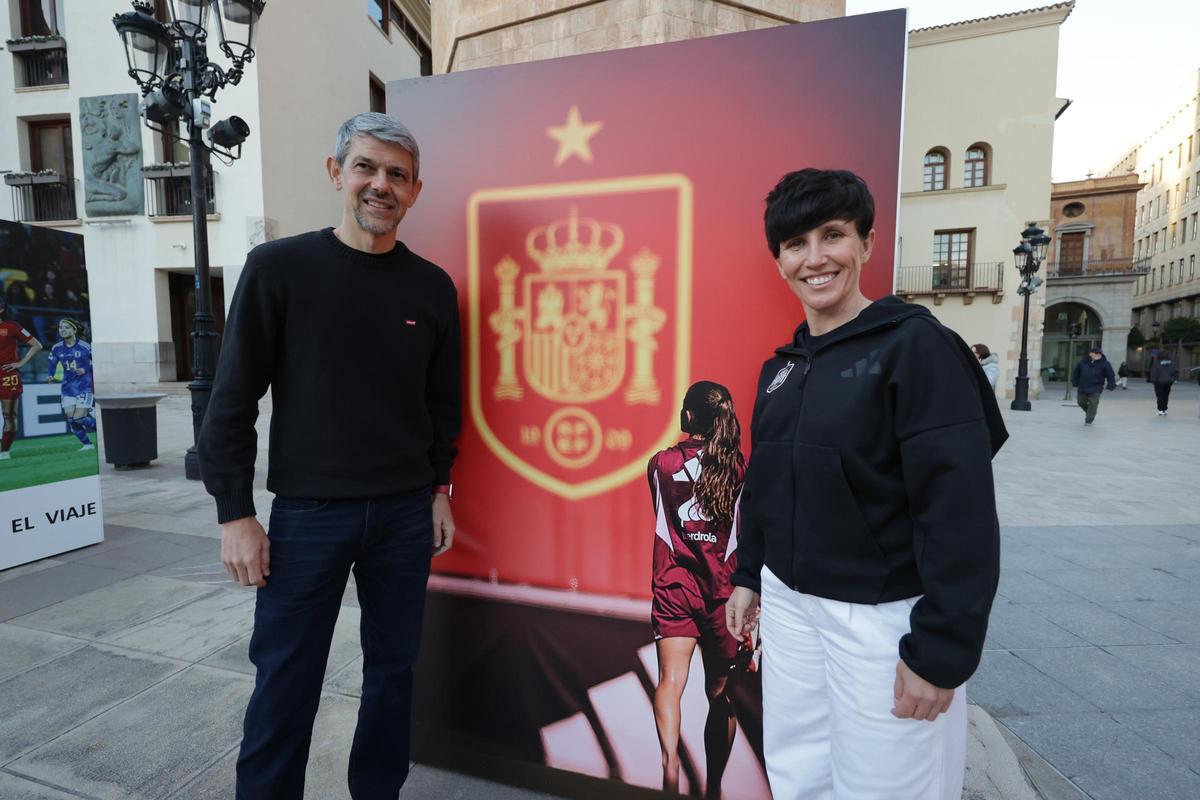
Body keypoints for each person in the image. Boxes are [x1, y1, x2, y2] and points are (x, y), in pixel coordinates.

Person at [197, 112, 461, 800]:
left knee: (393, 675)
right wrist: (235, 514)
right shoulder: (278, 269)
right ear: (336, 172)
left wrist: (441, 490)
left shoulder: (433, 288)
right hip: (308, 517)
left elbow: (441, 402)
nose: (381, 185)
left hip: (404, 516)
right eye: (366, 167)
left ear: (415, 191)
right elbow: (231, 399)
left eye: (397, 175)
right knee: (286, 680)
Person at [725, 169, 1006, 800]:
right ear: (779, 261)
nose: (815, 258)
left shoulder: (918, 348)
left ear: (867, 243)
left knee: (887, 786)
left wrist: (941, 651)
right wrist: (750, 575)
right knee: (800, 774)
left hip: (878, 618)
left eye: (833, 235)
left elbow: (958, 511)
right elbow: (766, 486)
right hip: (790, 606)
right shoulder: (780, 369)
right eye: (795, 244)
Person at [648, 380, 746, 798]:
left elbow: (662, 514)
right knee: (721, 695)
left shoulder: (660, 464)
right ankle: (714, 788)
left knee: (670, 680)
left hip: (674, 585)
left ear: (688, 416)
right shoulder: (738, 468)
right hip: (724, 594)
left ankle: (670, 766)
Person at [0, 295, 42, 460]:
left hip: (7, 376)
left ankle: (4, 451)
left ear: (1, 309)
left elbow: (36, 345)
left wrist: (21, 363)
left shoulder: (12, 327)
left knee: (9, 415)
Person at [45, 318, 96, 451]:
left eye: (67, 327)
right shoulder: (56, 348)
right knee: (71, 420)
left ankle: (102, 429)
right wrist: (51, 375)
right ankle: (88, 445)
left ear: (74, 330)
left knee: (79, 419)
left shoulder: (85, 346)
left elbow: (98, 362)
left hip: (85, 387)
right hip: (67, 388)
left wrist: (85, 369)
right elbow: (52, 364)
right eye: (61, 327)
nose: (63, 330)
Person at [1071, 347, 1116, 425]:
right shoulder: (1083, 362)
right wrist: (1075, 382)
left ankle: (1089, 420)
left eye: (1099, 353)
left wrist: (1111, 385)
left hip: (1096, 387)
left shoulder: (1105, 363)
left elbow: (1110, 375)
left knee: (1093, 403)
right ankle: (1090, 412)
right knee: (1081, 402)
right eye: (1096, 353)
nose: (1098, 354)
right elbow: (1076, 373)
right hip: (1083, 386)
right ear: (1090, 354)